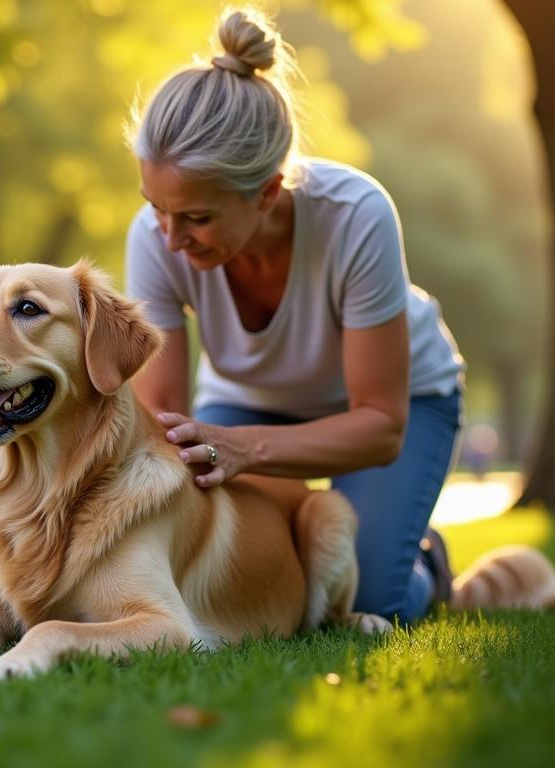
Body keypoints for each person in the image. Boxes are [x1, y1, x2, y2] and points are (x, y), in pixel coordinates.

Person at [123, 8, 464, 624]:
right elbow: (161, 420)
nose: (171, 238)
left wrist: (245, 448)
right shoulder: (155, 236)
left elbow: (380, 425)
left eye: (197, 218)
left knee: (362, 600)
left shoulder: (356, 215)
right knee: (234, 577)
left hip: (396, 407)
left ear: (268, 192)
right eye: (157, 208)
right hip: (248, 401)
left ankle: (428, 566)